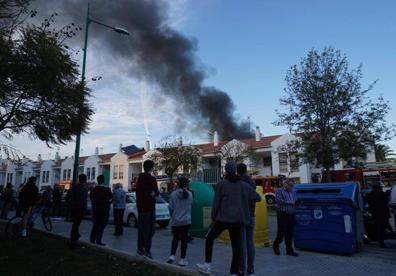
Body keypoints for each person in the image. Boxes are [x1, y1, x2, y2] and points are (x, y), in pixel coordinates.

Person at [197, 161, 260, 276]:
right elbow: (257, 197)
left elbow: (216, 203)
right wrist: (243, 201)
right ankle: (233, 272)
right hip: (237, 221)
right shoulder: (244, 185)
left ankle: (207, 265)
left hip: (223, 219)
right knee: (236, 248)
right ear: (235, 170)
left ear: (225, 171)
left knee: (209, 238)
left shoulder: (221, 184)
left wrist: (213, 217)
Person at [237, 163, 261, 276]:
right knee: (250, 243)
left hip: (240, 215)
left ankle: (241, 269)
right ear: (246, 170)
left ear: (237, 171)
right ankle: (250, 269)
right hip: (251, 214)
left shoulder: (237, 182)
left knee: (241, 243)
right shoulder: (252, 182)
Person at [167, 177, 193, 267]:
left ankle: (172, 256)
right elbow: (190, 205)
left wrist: (173, 216)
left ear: (178, 184)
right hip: (186, 221)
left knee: (175, 239)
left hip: (176, 221)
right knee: (184, 241)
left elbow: (170, 208)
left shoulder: (173, 194)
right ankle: (182, 259)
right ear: (187, 184)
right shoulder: (190, 194)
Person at [136, 160, 160, 258]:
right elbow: (156, 192)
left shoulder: (139, 178)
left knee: (141, 229)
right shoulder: (152, 179)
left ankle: (140, 249)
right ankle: (147, 250)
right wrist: (153, 194)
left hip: (140, 207)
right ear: (151, 168)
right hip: (149, 208)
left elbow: (138, 192)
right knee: (150, 230)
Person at [273, 179, 299, 256]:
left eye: (292, 186)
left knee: (290, 233)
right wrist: (290, 202)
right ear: (285, 184)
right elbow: (278, 201)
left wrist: (297, 202)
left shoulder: (292, 191)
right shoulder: (279, 191)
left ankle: (289, 250)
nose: (291, 187)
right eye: (290, 185)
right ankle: (276, 246)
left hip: (291, 214)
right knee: (281, 232)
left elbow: (295, 199)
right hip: (283, 214)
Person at [90, 175, 112, 246]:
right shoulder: (107, 189)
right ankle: (98, 240)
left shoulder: (94, 189)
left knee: (95, 224)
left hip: (96, 209)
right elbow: (111, 197)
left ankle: (92, 239)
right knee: (101, 225)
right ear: (103, 181)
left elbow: (90, 197)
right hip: (104, 210)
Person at [366, 183, 390, 248]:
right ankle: (381, 242)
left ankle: (377, 239)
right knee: (382, 228)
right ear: (379, 187)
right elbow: (387, 203)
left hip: (374, 213)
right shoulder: (383, 194)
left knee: (377, 226)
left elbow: (368, 203)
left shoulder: (368, 195)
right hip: (383, 213)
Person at [69, 174, 88, 249]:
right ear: (85, 180)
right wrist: (84, 211)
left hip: (74, 209)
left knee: (75, 226)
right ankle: (74, 242)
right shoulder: (84, 188)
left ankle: (74, 240)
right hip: (79, 210)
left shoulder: (75, 187)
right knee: (76, 226)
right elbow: (84, 201)